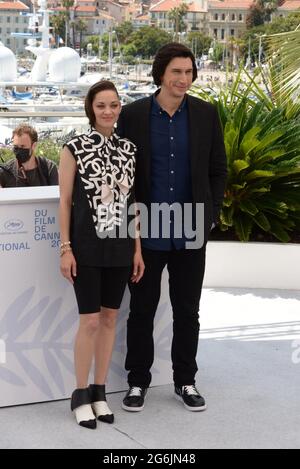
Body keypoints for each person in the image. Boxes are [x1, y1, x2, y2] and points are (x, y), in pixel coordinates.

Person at [117, 43, 227, 412]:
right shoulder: (132, 115)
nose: (184, 78)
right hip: (147, 230)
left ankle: (186, 380)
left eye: (189, 71)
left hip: (191, 228)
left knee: (188, 310)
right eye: (177, 71)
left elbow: (217, 169)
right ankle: (137, 382)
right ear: (161, 73)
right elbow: (123, 173)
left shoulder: (205, 114)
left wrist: (210, 214)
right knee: (142, 310)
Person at [59, 80, 144, 429]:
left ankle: (100, 392)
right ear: (91, 110)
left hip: (121, 248)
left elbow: (132, 203)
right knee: (90, 321)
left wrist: (137, 249)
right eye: (100, 106)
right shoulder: (74, 148)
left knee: (110, 319)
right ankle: (80, 394)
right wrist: (65, 248)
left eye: (113, 105)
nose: (107, 111)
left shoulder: (129, 149)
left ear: (119, 107)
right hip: (86, 246)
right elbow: (64, 202)